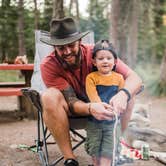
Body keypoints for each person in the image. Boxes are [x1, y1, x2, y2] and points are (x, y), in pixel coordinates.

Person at [40, 17, 142, 166]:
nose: (67, 52)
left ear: (79, 42)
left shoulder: (99, 54)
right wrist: (91, 107)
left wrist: (122, 95)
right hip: (72, 110)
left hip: (108, 109)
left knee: (129, 94)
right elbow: (71, 101)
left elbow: (135, 78)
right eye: (61, 48)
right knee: (48, 96)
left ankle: (117, 144)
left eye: (71, 45)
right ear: (54, 48)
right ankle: (70, 159)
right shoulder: (49, 65)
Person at [85, 39, 125, 166]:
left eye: (109, 58)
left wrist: (116, 109)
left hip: (112, 122)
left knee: (108, 150)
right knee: (95, 150)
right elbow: (93, 98)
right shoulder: (91, 77)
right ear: (94, 62)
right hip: (94, 122)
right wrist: (102, 109)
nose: (105, 61)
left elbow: (121, 97)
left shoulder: (119, 78)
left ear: (115, 62)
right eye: (101, 58)